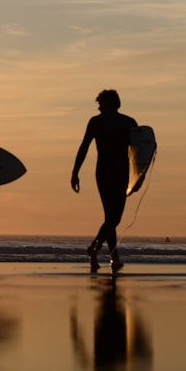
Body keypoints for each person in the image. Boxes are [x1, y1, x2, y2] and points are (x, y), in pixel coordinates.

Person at [70, 89, 137, 272]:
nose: (98, 108)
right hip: (120, 172)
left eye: (100, 104)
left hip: (104, 172)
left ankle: (108, 255)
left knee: (111, 217)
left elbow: (84, 147)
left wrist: (75, 172)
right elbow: (139, 155)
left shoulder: (97, 122)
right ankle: (99, 250)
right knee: (114, 217)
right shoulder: (129, 123)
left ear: (108, 103)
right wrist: (139, 178)